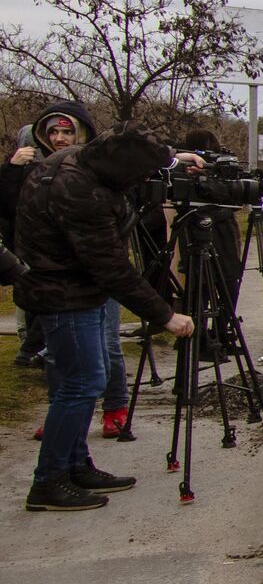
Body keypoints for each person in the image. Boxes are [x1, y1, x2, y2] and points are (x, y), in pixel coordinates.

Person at [14, 123, 195, 511]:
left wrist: (174, 158)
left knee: (80, 382)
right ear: (123, 169)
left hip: (75, 289)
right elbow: (110, 268)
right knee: (83, 382)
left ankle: (75, 464)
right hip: (65, 295)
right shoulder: (80, 191)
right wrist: (165, 315)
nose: (143, 180)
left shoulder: (81, 163)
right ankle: (48, 481)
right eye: (142, 174)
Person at [1, 102, 99, 369]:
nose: (59, 138)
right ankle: (35, 351)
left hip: (77, 252)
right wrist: (11, 168)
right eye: (53, 132)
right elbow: (8, 206)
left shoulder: (92, 165)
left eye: (66, 132)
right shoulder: (30, 166)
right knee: (36, 307)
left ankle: (42, 353)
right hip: (32, 252)